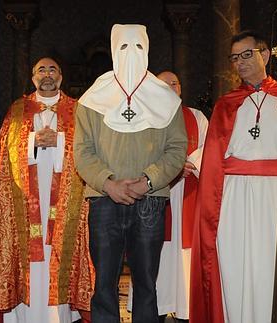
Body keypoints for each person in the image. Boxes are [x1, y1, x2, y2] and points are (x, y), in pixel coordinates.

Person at [190, 30, 277, 323]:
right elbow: (215, 161)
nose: (240, 62)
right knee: (237, 268)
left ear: (265, 55)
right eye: (234, 58)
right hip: (236, 198)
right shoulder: (226, 104)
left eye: (246, 55)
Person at [74, 24, 187, 323]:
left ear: (147, 49)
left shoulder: (166, 99)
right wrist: (108, 184)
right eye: (123, 47)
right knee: (104, 284)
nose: (131, 54)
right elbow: (82, 152)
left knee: (147, 284)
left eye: (138, 47)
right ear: (113, 51)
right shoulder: (92, 99)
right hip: (103, 199)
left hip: (150, 200)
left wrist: (148, 181)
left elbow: (177, 150)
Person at [0, 57, 93, 323]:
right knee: (29, 250)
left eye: (52, 69)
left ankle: (61, 313)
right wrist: (31, 141)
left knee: (58, 249)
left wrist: (61, 140)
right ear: (33, 78)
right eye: (41, 70)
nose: (47, 74)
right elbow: (4, 151)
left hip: (64, 197)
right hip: (26, 197)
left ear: (61, 76)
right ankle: (24, 312)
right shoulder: (18, 109)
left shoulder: (78, 110)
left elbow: (89, 150)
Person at [126, 71, 208, 323]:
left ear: (181, 89)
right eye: (163, 84)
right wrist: (170, 167)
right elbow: (134, 152)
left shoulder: (196, 117)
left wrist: (191, 162)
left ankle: (185, 311)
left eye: (174, 83)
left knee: (185, 256)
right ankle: (154, 312)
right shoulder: (142, 118)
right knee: (153, 254)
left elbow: (211, 146)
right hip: (155, 192)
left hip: (189, 192)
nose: (170, 87)